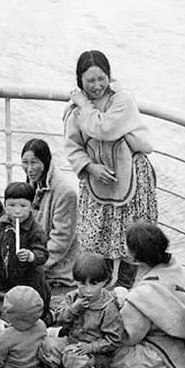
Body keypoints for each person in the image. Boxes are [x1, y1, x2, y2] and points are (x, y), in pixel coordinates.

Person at [63, 50, 158, 288]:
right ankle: (99, 287)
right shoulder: (73, 110)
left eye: (101, 78)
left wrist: (85, 105)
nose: (97, 85)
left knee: (133, 235)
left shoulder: (121, 99)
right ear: (80, 80)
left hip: (132, 176)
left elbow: (103, 128)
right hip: (97, 180)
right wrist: (90, 168)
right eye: (90, 80)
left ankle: (126, 287)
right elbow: (72, 145)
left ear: (109, 76)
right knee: (97, 235)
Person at [100, 222, 185, 368]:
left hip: (160, 354)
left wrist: (119, 305)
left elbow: (126, 337)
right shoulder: (176, 268)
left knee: (104, 356)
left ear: (134, 254)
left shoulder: (144, 295)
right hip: (182, 342)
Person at [39, 253, 124, 368]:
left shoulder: (108, 308)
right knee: (47, 344)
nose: (88, 290)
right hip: (72, 342)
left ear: (105, 281)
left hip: (96, 355)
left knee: (72, 355)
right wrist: (73, 309)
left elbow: (114, 340)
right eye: (82, 284)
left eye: (94, 284)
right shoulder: (73, 297)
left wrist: (89, 347)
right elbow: (59, 319)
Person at [0, 182, 52, 327]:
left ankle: (41, 316)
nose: (17, 211)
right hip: (6, 271)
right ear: (4, 204)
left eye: (23, 206)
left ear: (31, 206)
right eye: (11, 205)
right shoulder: (3, 222)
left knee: (40, 302)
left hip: (29, 276)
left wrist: (31, 256)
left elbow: (43, 254)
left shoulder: (36, 230)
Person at [21, 138, 80, 287]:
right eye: (25, 162)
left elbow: (62, 238)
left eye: (34, 162)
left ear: (45, 161)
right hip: (36, 250)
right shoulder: (33, 183)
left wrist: (36, 261)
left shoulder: (66, 191)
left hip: (56, 262)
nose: (29, 168)